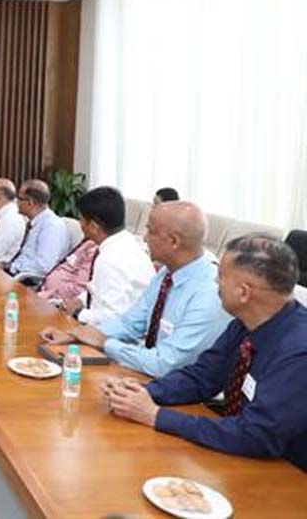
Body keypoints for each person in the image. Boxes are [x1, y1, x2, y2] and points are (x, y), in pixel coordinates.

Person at [103, 234, 307, 471]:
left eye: (221, 276)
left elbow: (257, 434)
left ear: (244, 292)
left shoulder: (298, 351)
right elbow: (202, 377)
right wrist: (139, 392)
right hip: (238, 456)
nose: (215, 283)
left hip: (287, 474)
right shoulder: (245, 323)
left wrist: (155, 415)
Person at [40, 201, 230, 377]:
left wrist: (105, 343)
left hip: (183, 389)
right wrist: (77, 335)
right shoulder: (168, 272)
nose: (145, 239)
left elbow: (164, 363)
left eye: (151, 231)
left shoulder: (209, 293)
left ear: (174, 241)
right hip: (149, 374)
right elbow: (130, 323)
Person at [56, 186, 154, 326]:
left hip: (114, 335)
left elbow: (112, 318)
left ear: (94, 226)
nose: (80, 224)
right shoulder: (125, 244)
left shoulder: (111, 260)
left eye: (81, 220)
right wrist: (79, 301)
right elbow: (101, 291)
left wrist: (77, 313)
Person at [6, 179, 70, 277]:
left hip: (27, 279)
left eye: (19, 198)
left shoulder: (51, 226)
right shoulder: (33, 222)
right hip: (16, 271)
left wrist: (12, 267)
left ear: (30, 203)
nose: (15, 202)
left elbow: (43, 266)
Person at [36, 238, 99, 302]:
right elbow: (68, 265)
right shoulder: (89, 243)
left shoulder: (95, 253)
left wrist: (52, 292)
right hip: (44, 289)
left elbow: (79, 288)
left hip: (57, 299)